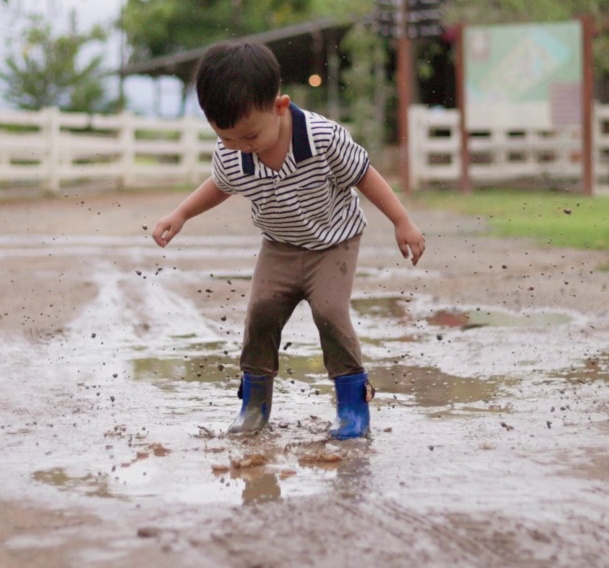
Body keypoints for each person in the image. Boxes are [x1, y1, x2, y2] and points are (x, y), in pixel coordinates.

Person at [151, 41, 425, 440]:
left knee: (330, 311)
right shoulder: (231, 152)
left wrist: (402, 220)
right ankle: (255, 404)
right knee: (260, 312)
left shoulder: (321, 138)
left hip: (334, 242)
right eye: (227, 138)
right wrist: (180, 214)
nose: (242, 146)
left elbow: (365, 174)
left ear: (279, 107)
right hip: (279, 245)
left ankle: (352, 405)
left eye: (250, 136)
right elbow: (219, 185)